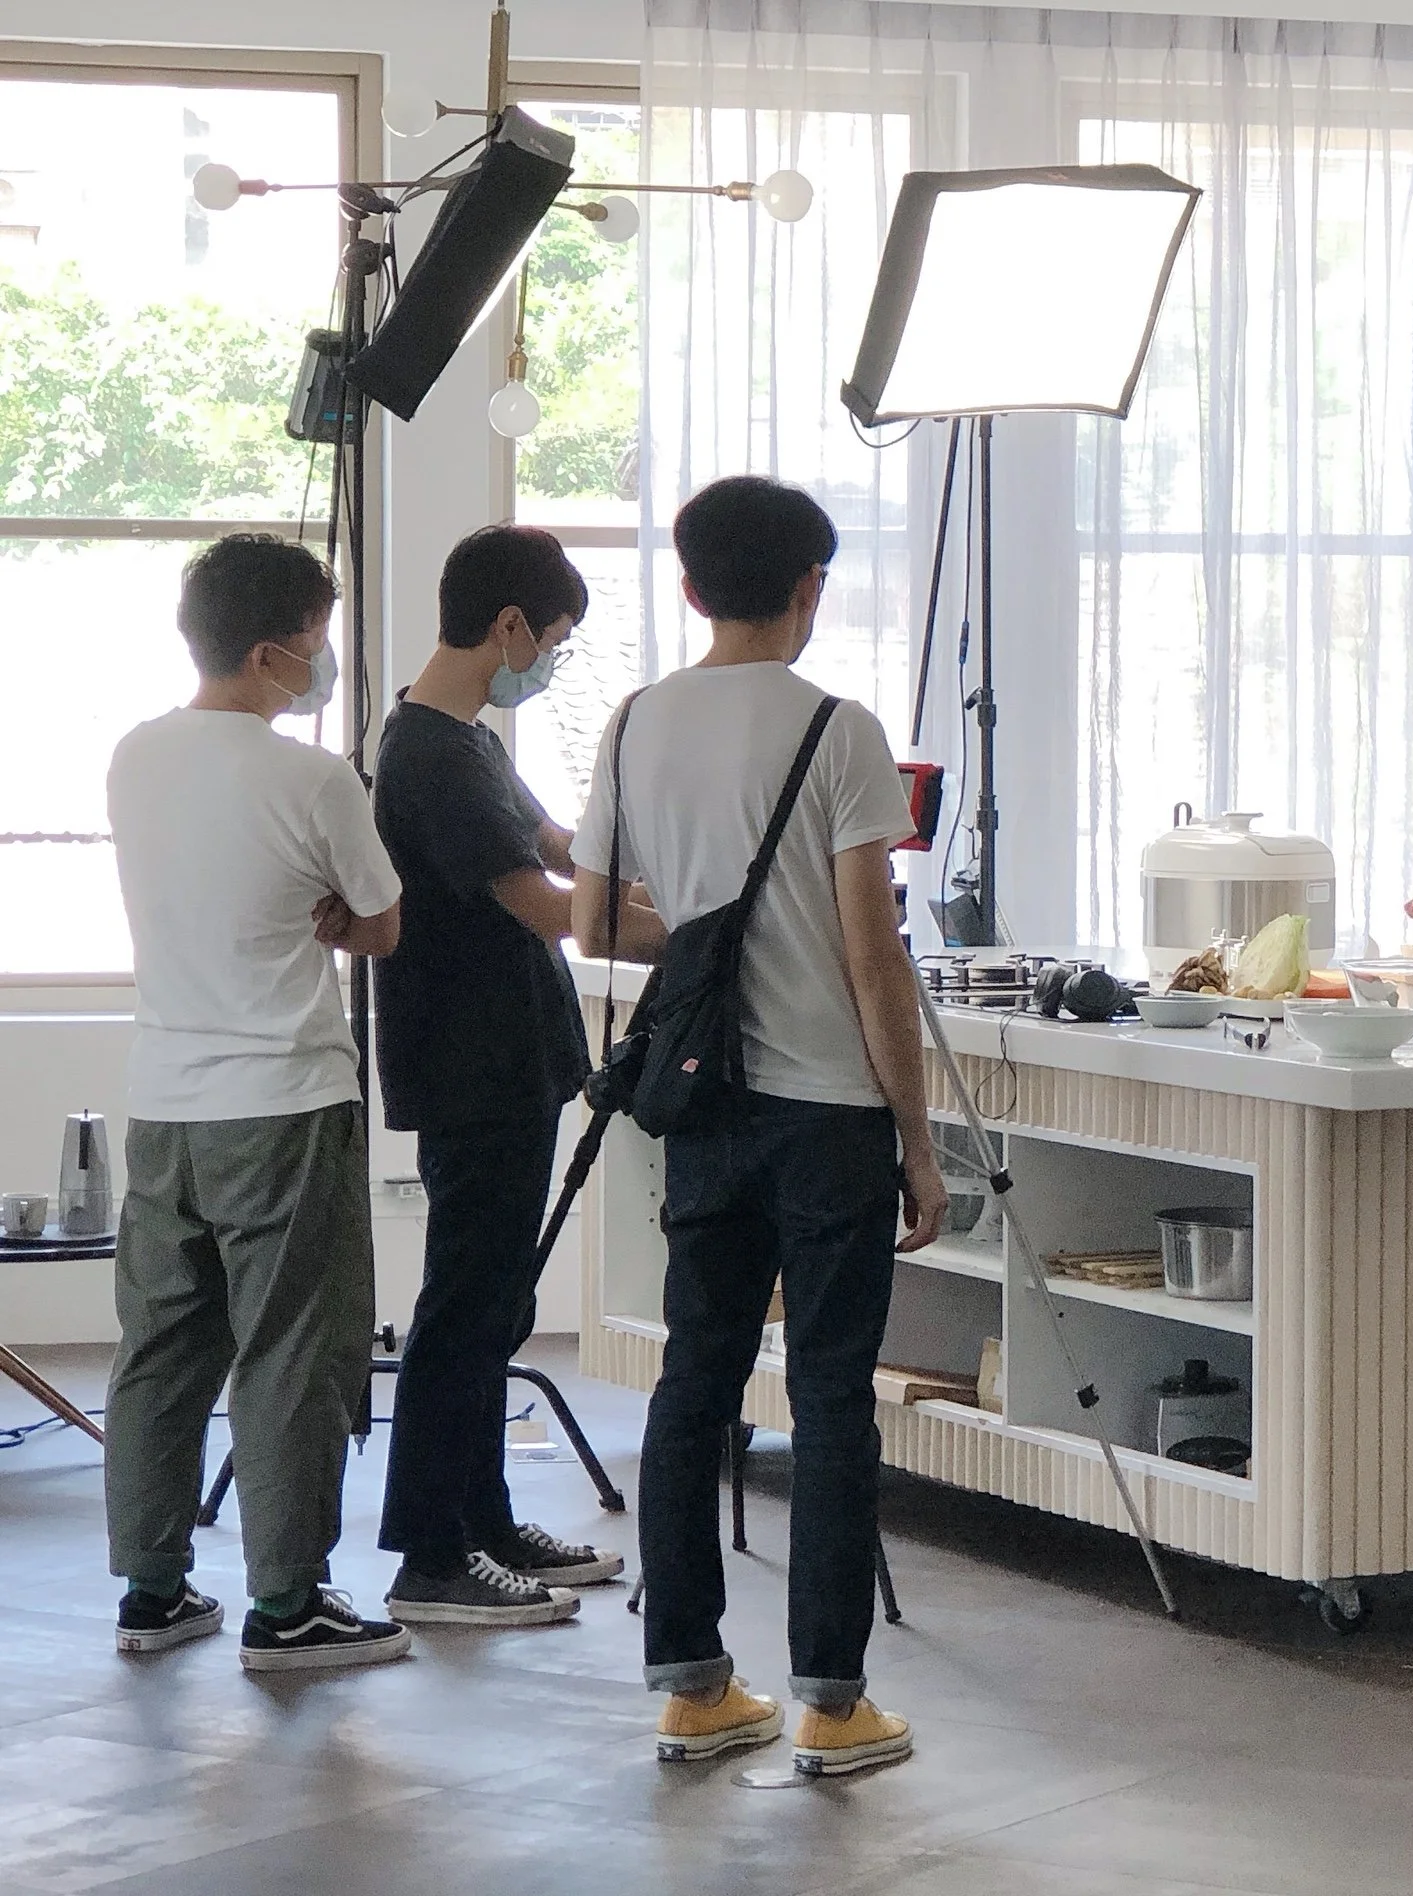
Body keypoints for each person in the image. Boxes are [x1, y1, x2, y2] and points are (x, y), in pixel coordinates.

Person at [570, 474, 946, 1774]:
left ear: (688, 587)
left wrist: (710, 927)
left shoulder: (633, 723)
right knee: (832, 1396)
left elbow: (595, 921)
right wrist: (918, 1138)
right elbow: (873, 956)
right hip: (829, 1114)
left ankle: (693, 1687)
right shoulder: (838, 730)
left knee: (697, 1381)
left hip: (705, 1108)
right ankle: (833, 1705)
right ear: (809, 588)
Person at [103, 533, 410, 1673]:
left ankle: (151, 1592)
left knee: (160, 1349)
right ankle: (286, 1605)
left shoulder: (136, 756)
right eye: (317, 641)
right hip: (281, 1099)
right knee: (289, 1353)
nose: (321, 662)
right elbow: (380, 924)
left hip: (164, 1104)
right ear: (275, 649)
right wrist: (331, 913)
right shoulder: (313, 779)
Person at [371, 524, 628, 1627]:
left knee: (495, 1308)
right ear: (510, 625)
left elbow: (559, 845)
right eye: (554, 641)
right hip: (472, 1072)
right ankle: (433, 1556)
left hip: (512, 1066)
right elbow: (540, 904)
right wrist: (689, 928)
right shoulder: (428, 754)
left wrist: (666, 868)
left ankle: (485, 1520)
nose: (550, 661)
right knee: (466, 1308)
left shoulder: (469, 740)